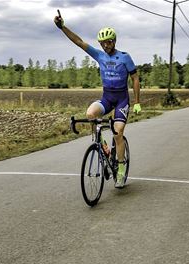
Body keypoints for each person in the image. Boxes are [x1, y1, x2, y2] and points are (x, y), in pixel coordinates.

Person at [54, 12, 141, 188]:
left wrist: (137, 101)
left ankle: (121, 168)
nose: (106, 45)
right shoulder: (99, 55)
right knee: (90, 113)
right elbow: (79, 42)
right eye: (103, 42)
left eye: (109, 42)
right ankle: (103, 147)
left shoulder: (125, 57)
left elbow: (135, 78)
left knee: (118, 132)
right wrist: (62, 27)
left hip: (122, 100)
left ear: (114, 41)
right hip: (107, 98)